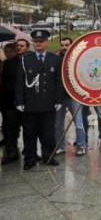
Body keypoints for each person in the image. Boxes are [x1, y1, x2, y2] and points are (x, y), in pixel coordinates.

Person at [15, 30, 63, 170]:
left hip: (48, 104)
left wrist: (59, 100)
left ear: (47, 42)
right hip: (30, 104)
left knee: (48, 134)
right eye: (36, 41)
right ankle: (30, 158)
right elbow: (19, 82)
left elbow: (58, 82)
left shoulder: (55, 59)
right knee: (29, 134)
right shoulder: (25, 60)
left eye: (41, 41)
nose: (38, 43)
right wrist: (19, 101)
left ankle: (48, 156)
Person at [54, 37, 87, 157]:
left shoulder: (78, 58)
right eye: (62, 45)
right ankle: (60, 146)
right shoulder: (56, 58)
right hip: (59, 96)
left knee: (78, 122)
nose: (64, 47)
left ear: (71, 45)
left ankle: (81, 146)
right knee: (58, 123)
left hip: (74, 95)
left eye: (67, 45)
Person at [1, 42, 22, 164]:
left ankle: (27, 151)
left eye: (10, 51)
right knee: (9, 128)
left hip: (20, 100)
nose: (8, 53)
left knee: (18, 127)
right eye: (6, 51)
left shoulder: (23, 61)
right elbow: (5, 83)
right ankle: (11, 151)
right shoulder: (7, 63)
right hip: (8, 101)